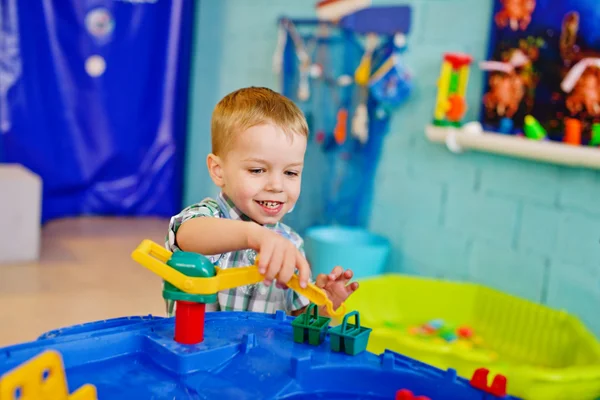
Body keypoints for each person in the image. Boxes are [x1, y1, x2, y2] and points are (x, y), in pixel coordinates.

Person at [165, 87, 358, 317]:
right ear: (218, 171)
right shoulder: (207, 216)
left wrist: (322, 307)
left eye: (291, 173)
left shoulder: (291, 245)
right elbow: (187, 235)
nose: (276, 186)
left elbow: (294, 319)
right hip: (199, 350)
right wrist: (253, 235)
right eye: (257, 170)